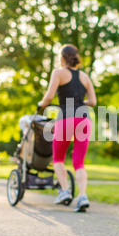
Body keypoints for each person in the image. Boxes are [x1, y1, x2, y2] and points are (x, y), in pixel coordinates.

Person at [38, 44, 97, 212]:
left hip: (66, 118)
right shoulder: (85, 76)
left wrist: (41, 104)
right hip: (84, 119)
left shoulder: (58, 73)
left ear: (63, 58)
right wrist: (80, 102)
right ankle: (83, 196)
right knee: (79, 162)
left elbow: (49, 97)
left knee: (58, 158)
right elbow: (93, 102)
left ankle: (65, 191)